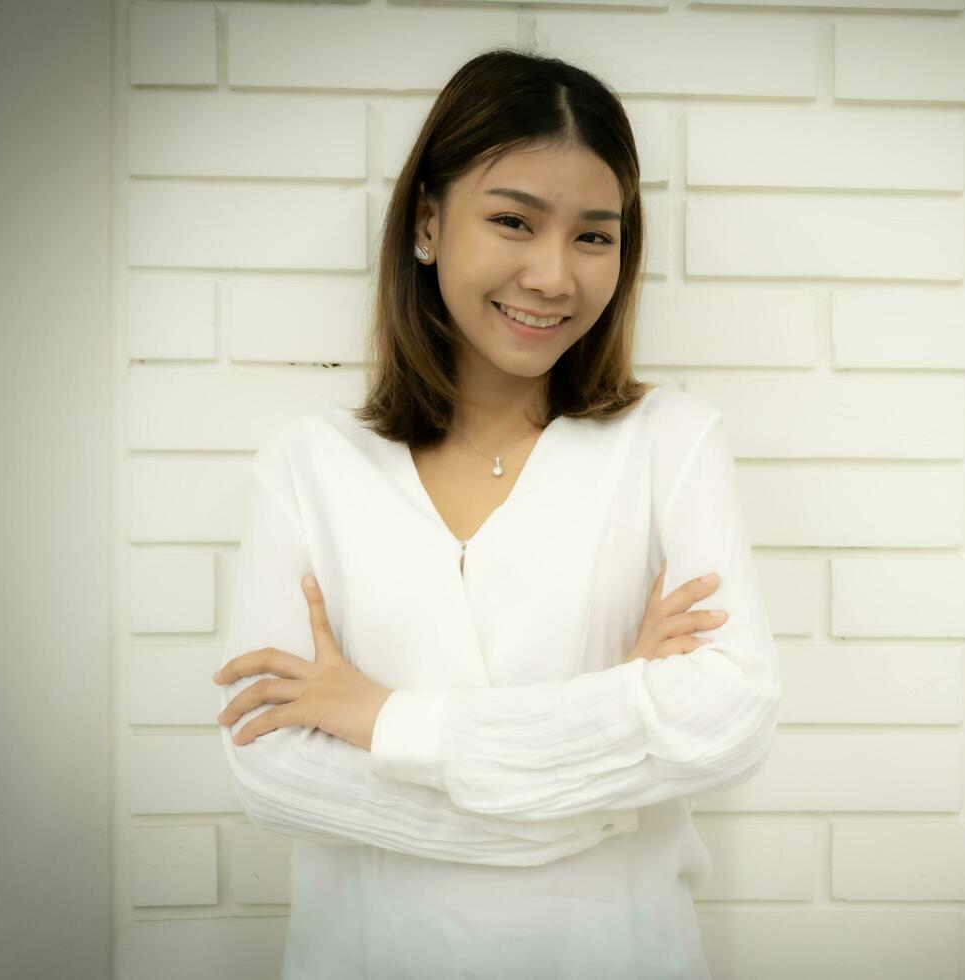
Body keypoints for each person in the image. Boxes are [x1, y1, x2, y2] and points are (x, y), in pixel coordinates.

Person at [212, 48, 781, 980]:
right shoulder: (309, 465)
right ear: (429, 224)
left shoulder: (670, 442)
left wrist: (386, 721)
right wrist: (601, 771)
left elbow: (729, 720)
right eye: (514, 220)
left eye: (594, 236)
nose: (554, 276)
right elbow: (272, 774)